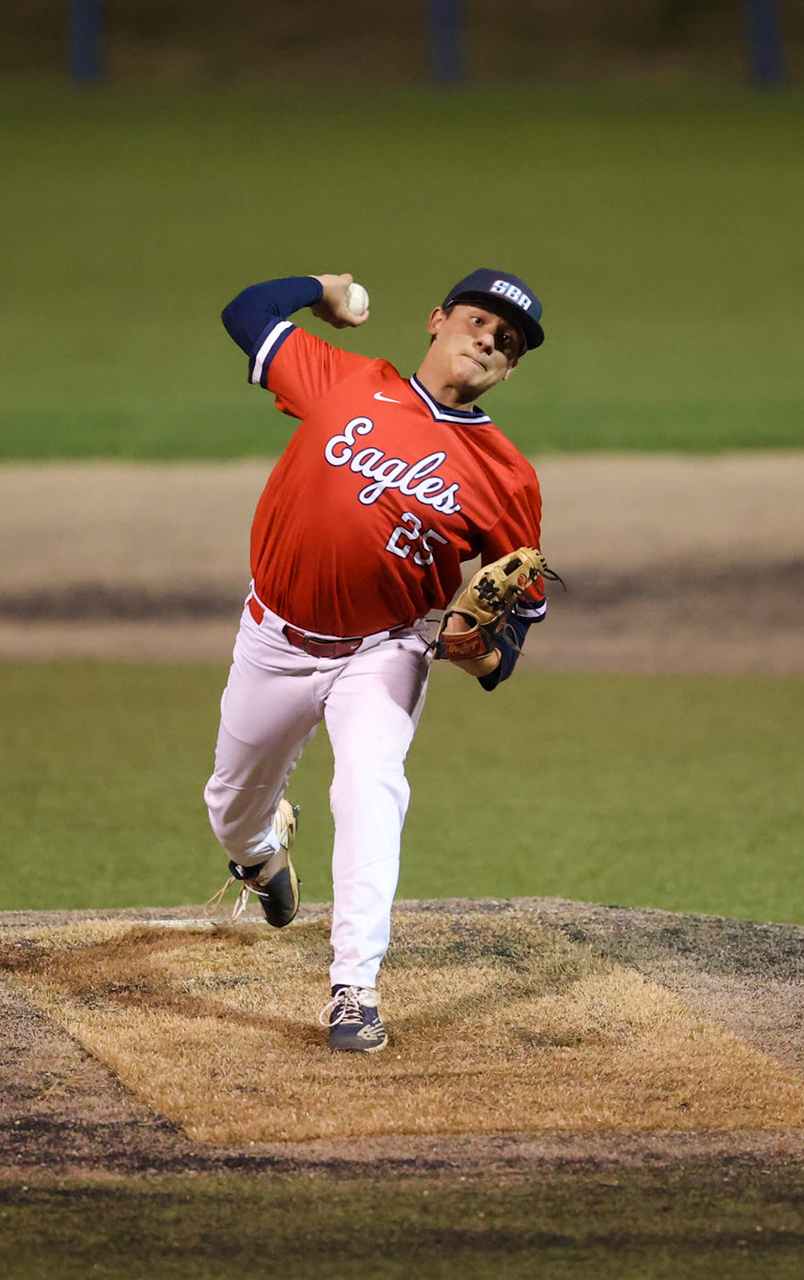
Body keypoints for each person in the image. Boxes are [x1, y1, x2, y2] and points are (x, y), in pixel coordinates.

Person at [204, 269, 549, 1053]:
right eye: (478, 320)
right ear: (437, 321)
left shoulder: (507, 477)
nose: (490, 338)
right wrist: (320, 287)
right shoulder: (345, 380)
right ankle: (260, 860)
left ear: (512, 366)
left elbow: (514, 629)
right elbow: (243, 309)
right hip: (273, 640)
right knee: (230, 807)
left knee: (371, 786)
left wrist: (482, 652)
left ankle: (353, 988)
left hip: (384, 652)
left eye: (509, 340)